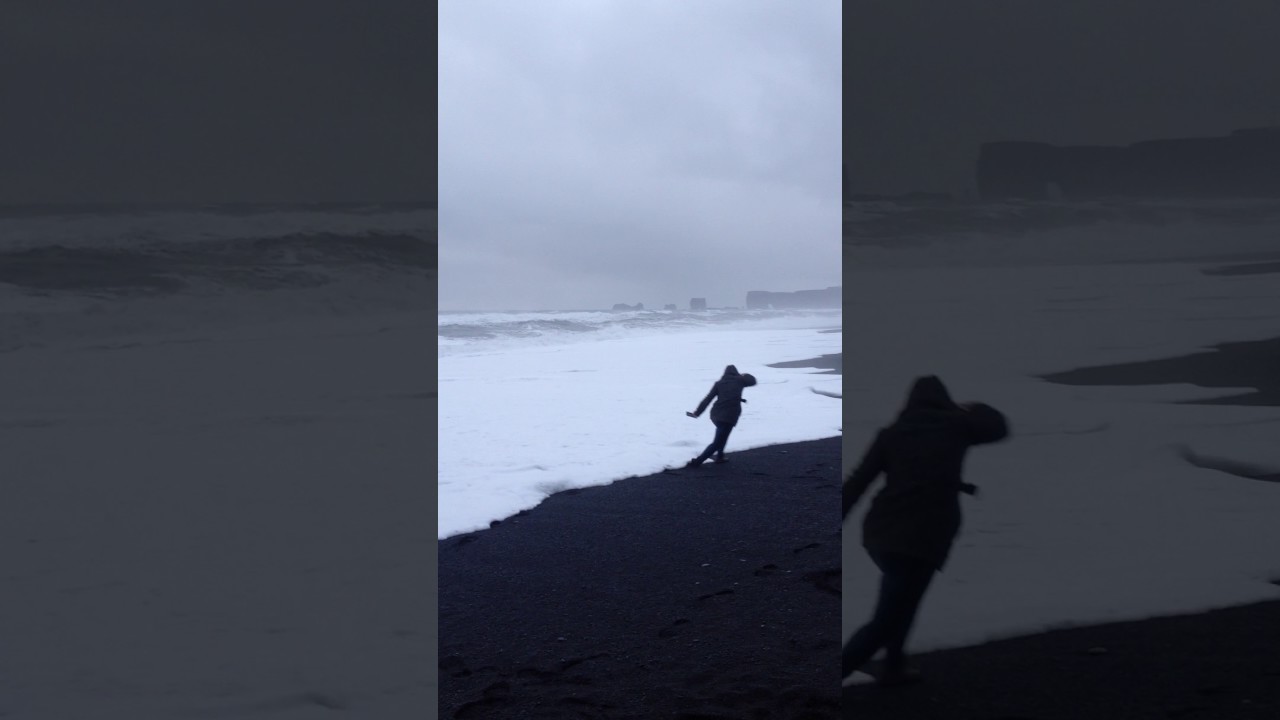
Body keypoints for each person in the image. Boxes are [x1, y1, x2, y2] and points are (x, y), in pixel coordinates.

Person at [841, 375, 1009, 685]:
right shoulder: (957, 427)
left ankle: (894, 667)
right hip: (925, 535)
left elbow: (857, 481)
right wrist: (974, 409)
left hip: (881, 531)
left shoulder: (892, 434)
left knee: (903, 601)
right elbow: (998, 427)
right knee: (888, 617)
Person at [685, 365, 757, 467]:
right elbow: (753, 381)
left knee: (723, 436)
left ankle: (720, 457)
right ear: (736, 373)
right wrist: (744, 376)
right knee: (718, 442)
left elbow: (708, 399)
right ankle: (698, 461)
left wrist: (697, 413)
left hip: (715, 415)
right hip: (729, 416)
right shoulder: (740, 381)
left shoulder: (719, 383)